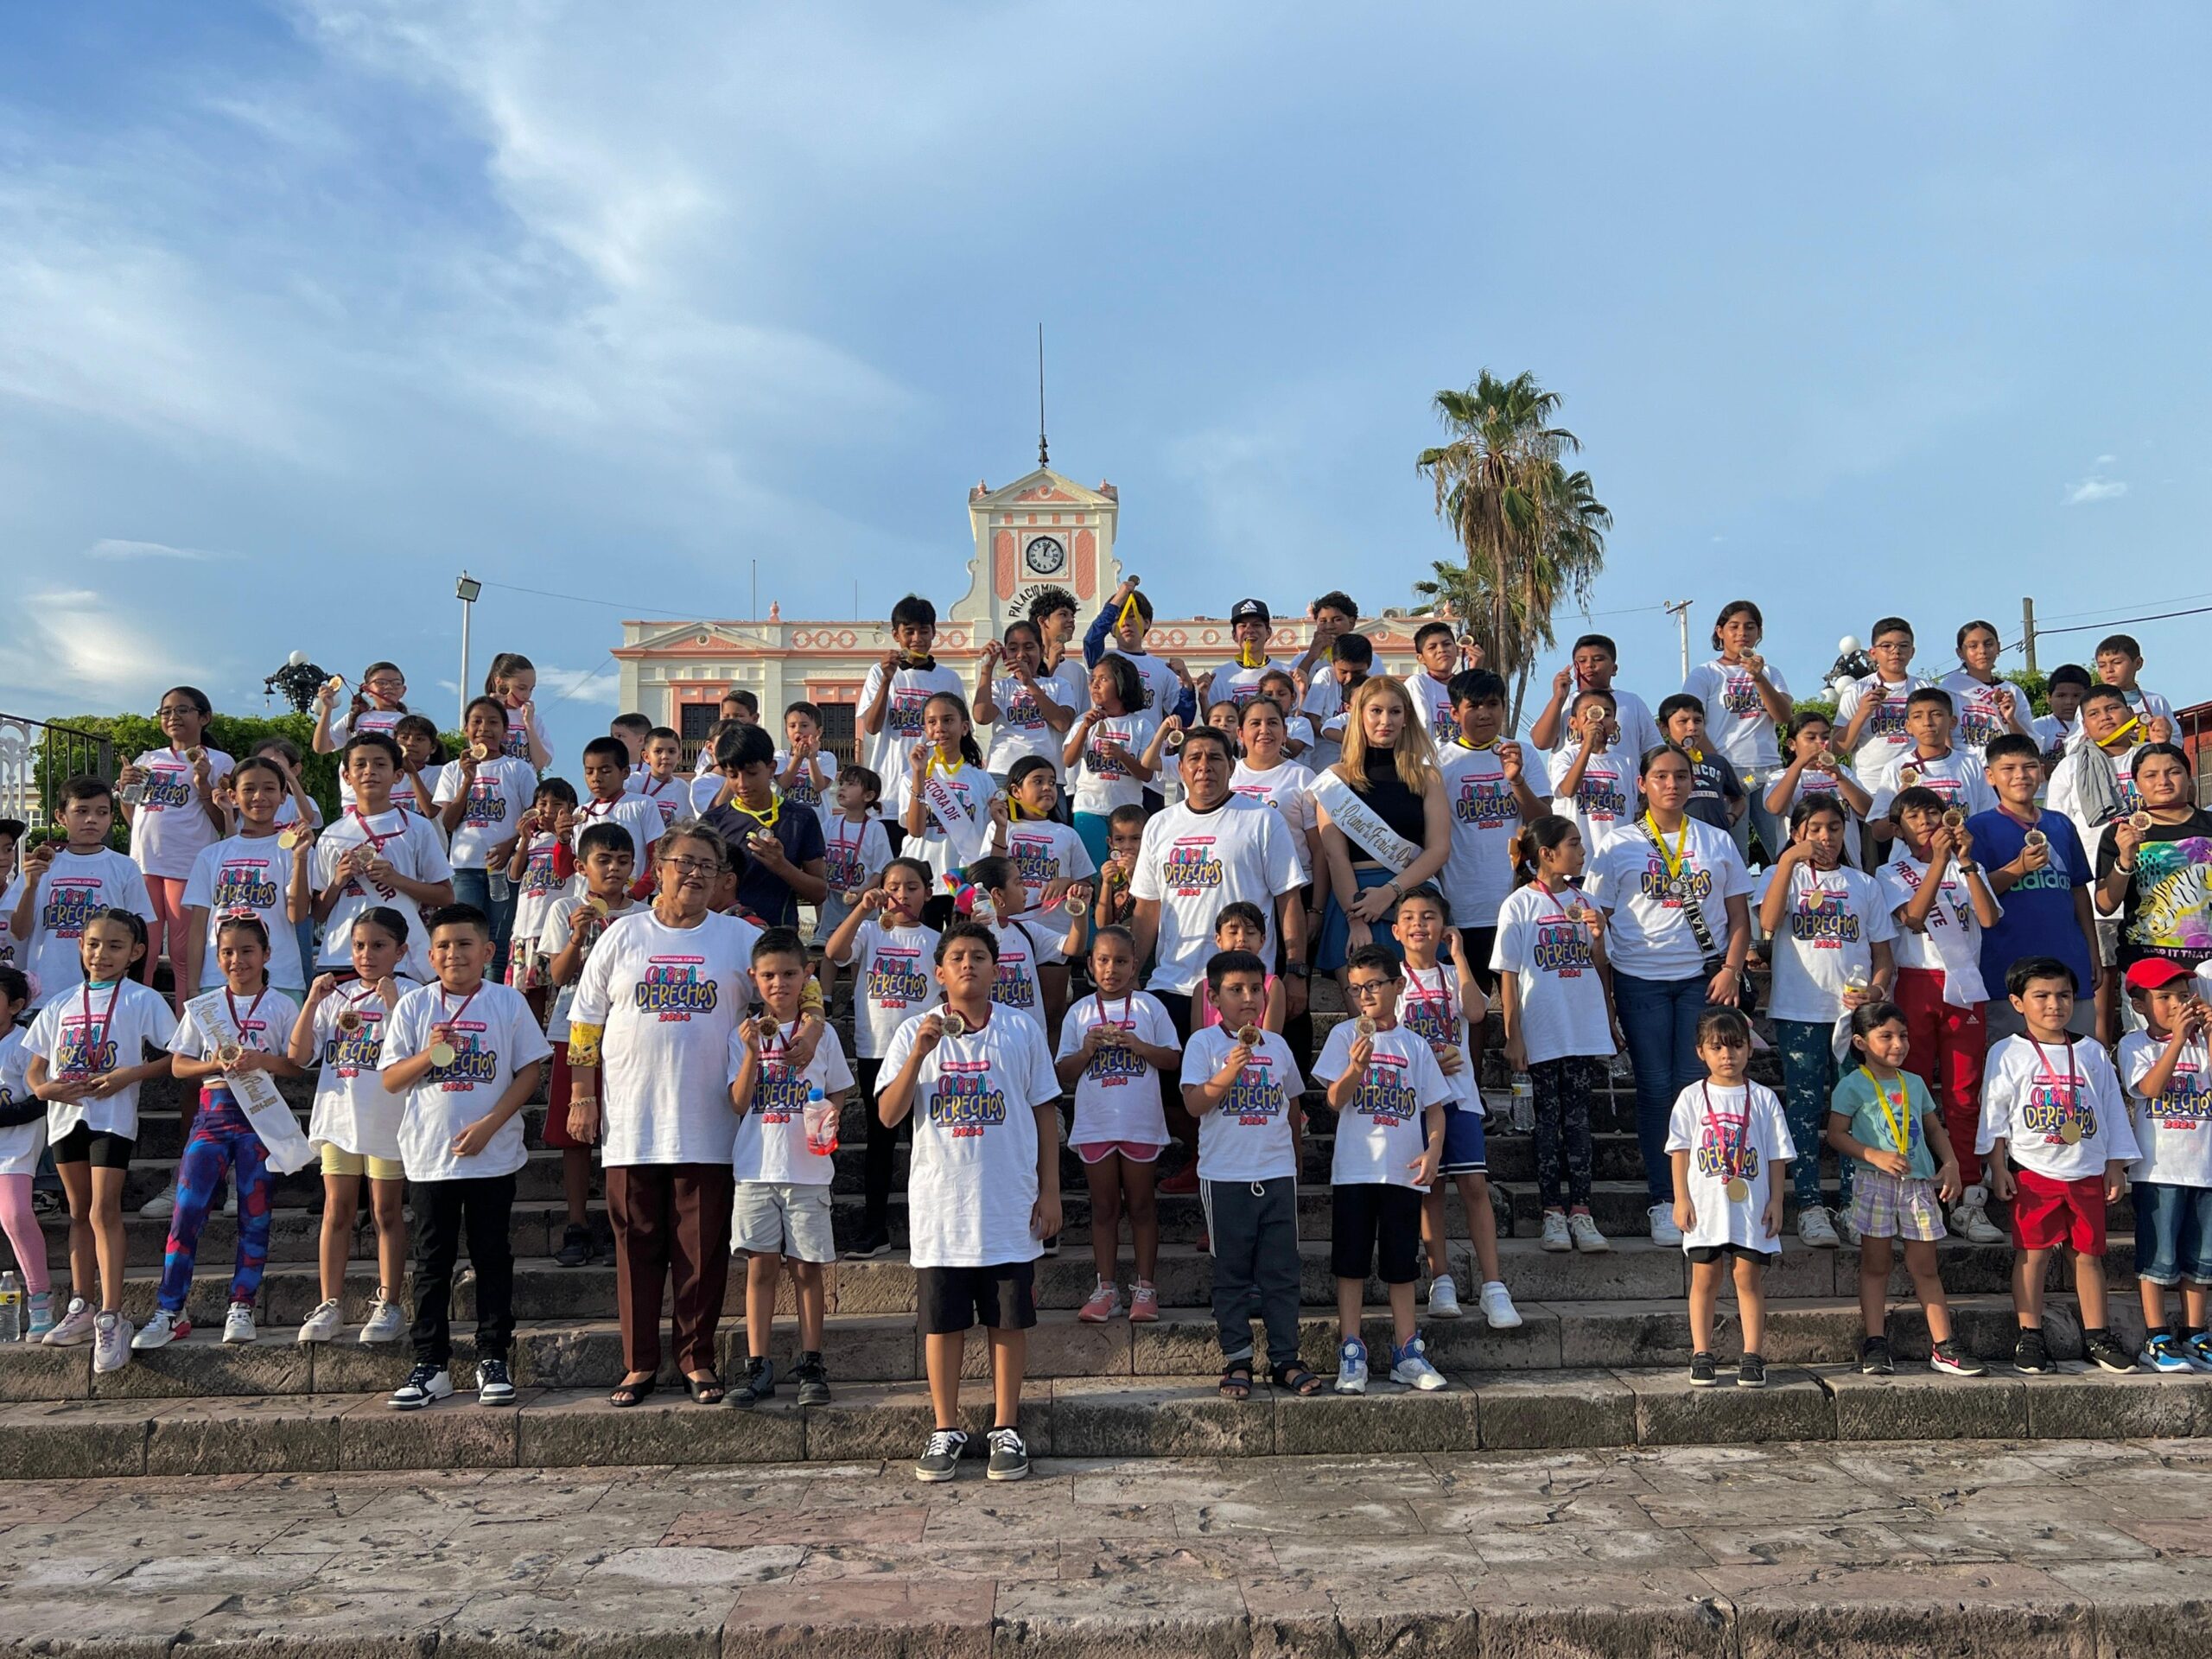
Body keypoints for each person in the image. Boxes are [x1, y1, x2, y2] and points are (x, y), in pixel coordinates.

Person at [569, 824, 784, 1408]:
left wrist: (803, 1032)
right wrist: (581, 1095)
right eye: (684, 862)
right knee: (636, 1246)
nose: (694, 874)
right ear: (658, 865)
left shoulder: (740, 937)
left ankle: (696, 1358)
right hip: (632, 1121)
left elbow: (798, 992)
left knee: (701, 1248)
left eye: (707, 866)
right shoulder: (621, 936)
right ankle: (638, 1364)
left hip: (709, 1119)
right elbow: (585, 1023)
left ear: (721, 878)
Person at [879, 923, 1061, 1484]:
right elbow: (888, 1115)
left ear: (996, 968)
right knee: (943, 1323)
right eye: (956, 957)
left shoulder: (1020, 1029)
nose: (967, 965)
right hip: (941, 1206)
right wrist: (919, 1054)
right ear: (938, 973)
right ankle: (945, 1426)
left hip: (1007, 1200)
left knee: (1008, 1320)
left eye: (979, 956)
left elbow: (1044, 1112)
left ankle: (1006, 1426)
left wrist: (1050, 1190)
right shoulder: (915, 1030)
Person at [378, 904, 550, 1410]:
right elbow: (391, 1079)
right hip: (431, 1156)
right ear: (430, 956)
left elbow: (529, 1072)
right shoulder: (414, 1008)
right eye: (445, 947)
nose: (455, 954)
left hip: (492, 1154)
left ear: (488, 951)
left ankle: (492, 1355)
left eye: (466, 944)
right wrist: (428, 1054)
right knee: (432, 1262)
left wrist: (490, 1124)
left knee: (492, 1256)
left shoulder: (508, 1003)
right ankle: (430, 1363)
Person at [1586, 745, 1753, 1244]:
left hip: (1703, 979)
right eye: (1661, 776)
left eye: (1681, 776)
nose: (1672, 785)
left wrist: (1730, 969)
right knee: (1656, 1088)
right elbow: (1599, 924)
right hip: (1640, 977)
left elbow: (1741, 919)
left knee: (1694, 1085)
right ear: (1642, 784)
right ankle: (1663, 1198)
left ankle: (1699, 1191)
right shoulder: (1618, 844)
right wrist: (1606, 996)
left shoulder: (1717, 840)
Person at [1132, 726, 1306, 1192]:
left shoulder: (1260, 819)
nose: (1204, 766)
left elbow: (1289, 898)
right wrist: (1132, 971)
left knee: (1247, 1081)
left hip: (1244, 987)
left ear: (1233, 765)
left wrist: (1295, 970)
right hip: (1174, 979)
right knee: (1170, 1085)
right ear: (1181, 767)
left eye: (1215, 758)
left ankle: (1252, 1169)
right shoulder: (1161, 825)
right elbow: (1148, 908)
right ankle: (1199, 1156)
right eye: (1193, 758)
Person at [135, 916, 302, 1350]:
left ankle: (242, 1304)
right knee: (187, 1209)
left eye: (247, 951)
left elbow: (297, 1064)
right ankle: (170, 1309)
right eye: (227, 952)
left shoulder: (282, 1006)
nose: (236, 960)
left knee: (255, 1210)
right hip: (212, 1112)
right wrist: (216, 1064)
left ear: (266, 955)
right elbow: (178, 1065)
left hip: (259, 1117)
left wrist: (261, 1061)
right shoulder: (205, 1007)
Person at [25, 909, 176, 1372]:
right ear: (80, 947)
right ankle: (82, 1304)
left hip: (111, 1117)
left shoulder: (143, 999)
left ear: (135, 953)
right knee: (76, 1212)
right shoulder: (60, 1002)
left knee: (102, 1210)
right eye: (93, 944)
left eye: (114, 946)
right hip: (66, 1117)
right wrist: (43, 1088)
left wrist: (129, 1074)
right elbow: (35, 1066)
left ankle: (112, 1313)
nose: (101, 954)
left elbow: (175, 1057)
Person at [1978, 957, 2139, 1376]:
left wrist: (2116, 1164)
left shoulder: (2092, 1052)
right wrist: (1998, 1166)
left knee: (2088, 1255)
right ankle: (2029, 1335)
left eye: (2064, 995)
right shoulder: (2007, 1052)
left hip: (2086, 1168)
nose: (2055, 1004)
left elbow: (2112, 1110)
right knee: (2033, 1256)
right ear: (2017, 1002)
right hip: (2034, 1170)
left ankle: (2097, 1335)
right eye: (2042, 996)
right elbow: (1994, 1112)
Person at [1180, 947, 1322, 1399]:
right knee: (1232, 1271)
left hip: (1276, 1170)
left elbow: (1293, 1103)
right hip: (1225, 1175)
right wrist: (1225, 1076)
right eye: (1235, 990)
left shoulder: (1277, 1045)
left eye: (1254, 989)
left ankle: (1285, 1358)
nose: (1247, 998)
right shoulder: (1204, 1044)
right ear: (1214, 998)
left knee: (1281, 1270)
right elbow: (1193, 1103)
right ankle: (1237, 1359)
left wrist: (1295, 1160)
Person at [1757, 795, 1897, 1249]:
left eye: (1834, 828)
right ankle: (1811, 1205)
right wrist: (1788, 862)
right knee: (1802, 1106)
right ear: (1797, 832)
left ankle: (1856, 1204)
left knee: (1854, 1107)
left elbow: (1883, 956)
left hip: (1853, 1018)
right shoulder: (1782, 878)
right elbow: (1768, 920)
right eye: (1814, 828)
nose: (1825, 837)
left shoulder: (1863, 884)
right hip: (1800, 1010)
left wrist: (1875, 992)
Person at [1316, 944, 1451, 1393]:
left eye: (1373, 986)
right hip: (1356, 1170)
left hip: (1402, 1172)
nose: (1365, 996)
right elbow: (1334, 1100)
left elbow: (1435, 1109)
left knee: (1401, 1265)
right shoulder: (1343, 1037)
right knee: (1350, 1264)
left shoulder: (1415, 1045)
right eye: (1356, 990)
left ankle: (1407, 1351)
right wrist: (1355, 1069)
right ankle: (1351, 1351)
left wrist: (1433, 1152)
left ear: (1398, 985)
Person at [728, 926, 849, 1408]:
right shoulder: (743, 1033)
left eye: (790, 974)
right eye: (770, 975)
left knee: (806, 1269)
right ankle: (758, 1364)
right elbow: (738, 1103)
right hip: (756, 1167)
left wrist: (833, 1111)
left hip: (807, 1169)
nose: (780, 984)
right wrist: (752, 1056)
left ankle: (811, 1358)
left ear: (807, 977)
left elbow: (838, 1087)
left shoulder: (824, 1034)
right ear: (754, 979)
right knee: (760, 1268)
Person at [1826, 1001, 1982, 1376]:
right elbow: (1835, 1134)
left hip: (1918, 1186)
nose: (1898, 1044)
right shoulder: (1852, 1085)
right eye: (1887, 1037)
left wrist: (1951, 1164)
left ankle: (1944, 1345)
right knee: (1875, 1265)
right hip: (1874, 1183)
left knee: (1925, 1267)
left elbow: (1933, 1128)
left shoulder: (1913, 1082)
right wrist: (1872, 1154)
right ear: (1861, 1043)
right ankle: (1876, 1343)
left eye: (1904, 1036)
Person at [1878, 786, 2003, 1244]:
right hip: (1916, 981)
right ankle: (1910, 1187)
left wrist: (1965, 864)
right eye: (1915, 815)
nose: (1928, 820)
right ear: (1898, 829)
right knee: (1909, 1088)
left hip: (1965, 986)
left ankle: (1969, 1193)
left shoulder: (1972, 866)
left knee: (1964, 1093)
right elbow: (1912, 916)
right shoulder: (1890, 871)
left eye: (1934, 811)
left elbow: (1989, 919)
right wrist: (1937, 863)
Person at [1393, 886, 1517, 1329]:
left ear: (1443, 927)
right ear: (1396, 930)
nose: (1419, 925)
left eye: (1429, 917)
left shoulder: (1452, 976)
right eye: (1409, 917)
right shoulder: (1394, 983)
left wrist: (1461, 956)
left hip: (1459, 1096)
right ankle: (1440, 1278)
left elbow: (1477, 1013)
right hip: (1414, 1102)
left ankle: (1493, 1286)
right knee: (1430, 1188)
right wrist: (1425, 1059)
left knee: (1474, 1185)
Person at [1492, 814, 1616, 1251]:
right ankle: (1551, 1213)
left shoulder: (1587, 901)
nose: (1582, 852)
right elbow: (1507, 974)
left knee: (1579, 1120)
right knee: (1547, 1123)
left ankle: (1582, 1210)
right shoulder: (1520, 904)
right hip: (1542, 1029)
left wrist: (1597, 938)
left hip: (1581, 1026)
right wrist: (1513, 1034)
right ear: (1547, 854)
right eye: (1574, 844)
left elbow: (1599, 966)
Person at [291, 907, 414, 1344]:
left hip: (386, 1118)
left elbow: (418, 1052)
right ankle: (330, 1304)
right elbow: (299, 1055)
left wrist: (394, 1001)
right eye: (359, 946)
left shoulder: (414, 993)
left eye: (379, 946)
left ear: (401, 950)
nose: (366, 955)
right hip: (339, 1117)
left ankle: (389, 1302)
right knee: (336, 1210)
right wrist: (311, 1001)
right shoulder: (335, 997)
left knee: (385, 1211)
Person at [1055, 927, 1178, 1325]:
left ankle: (1146, 1287)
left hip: (1140, 1123)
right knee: (1104, 1208)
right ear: (1090, 964)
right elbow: (1063, 1073)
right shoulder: (1080, 1013)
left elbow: (1173, 1060)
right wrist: (1088, 1049)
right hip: (1096, 1124)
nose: (1111, 969)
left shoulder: (1149, 1007)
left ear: (1134, 964)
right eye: (1103, 960)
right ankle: (1105, 1288)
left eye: (1121, 961)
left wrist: (1138, 1046)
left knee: (1142, 1206)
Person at [1667, 1005, 1792, 1389]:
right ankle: (1701, 1352)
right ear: (1701, 1052)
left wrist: (1777, 1200)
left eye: (1736, 1046)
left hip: (1751, 1205)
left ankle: (1752, 1354)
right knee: (1705, 1277)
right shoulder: (1691, 1097)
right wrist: (1680, 1199)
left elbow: (1776, 1153)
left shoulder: (1764, 1098)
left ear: (1749, 1050)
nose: (1727, 1055)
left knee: (1747, 1276)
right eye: (1717, 1048)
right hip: (1705, 1204)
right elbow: (1680, 1151)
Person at [823, 858, 941, 1259]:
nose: (902, 895)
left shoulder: (935, 939)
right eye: (894, 886)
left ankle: (930, 1223)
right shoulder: (871, 931)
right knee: (879, 1142)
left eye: (912, 887)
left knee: (925, 1141)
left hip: (922, 1053)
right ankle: (875, 1228)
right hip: (876, 1047)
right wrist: (860, 908)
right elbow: (835, 951)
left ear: (927, 892)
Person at [539, 823, 642, 1266]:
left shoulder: (645, 915)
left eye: (622, 861)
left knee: (627, 1128)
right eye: (604, 860)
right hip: (574, 1030)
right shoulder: (565, 907)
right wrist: (577, 937)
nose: (614, 869)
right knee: (574, 1133)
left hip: (628, 1035)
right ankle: (577, 1224)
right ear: (582, 867)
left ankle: (630, 1225)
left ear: (635, 867)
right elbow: (558, 977)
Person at [1314, 676, 1452, 980]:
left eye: (1395, 712)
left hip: (1414, 900)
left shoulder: (1427, 777)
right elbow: (1335, 856)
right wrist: (1357, 918)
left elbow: (1439, 848)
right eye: (1375, 711)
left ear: (1406, 719)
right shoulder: (1335, 779)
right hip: (1354, 901)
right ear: (1359, 715)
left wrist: (1390, 892)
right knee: (1366, 1020)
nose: (1385, 721)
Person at [1972, 734, 2100, 1052]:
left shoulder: (2061, 824)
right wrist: (2018, 869)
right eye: (2008, 768)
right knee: (2014, 1061)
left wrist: (2092, 953)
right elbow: (1977, 896)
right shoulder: (1978, 827)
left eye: (2029, 767)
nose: (2020, 776)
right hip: (2007, 966)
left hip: (2068, 959)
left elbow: (2078, 891)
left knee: (2077, 1054)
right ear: (1990, 776)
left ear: (2042, 771)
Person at [2115, 959, 2212, 1371]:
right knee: (2159, 1258)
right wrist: (2178, 1040)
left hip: (2205, 1168)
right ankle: (2156, 1336)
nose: (2177, 1005)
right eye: (2164, 997)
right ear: (2139, 1004)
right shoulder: (2134, 1045)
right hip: (2160, 1171)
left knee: (2202, 1259)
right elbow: (2150, 1089)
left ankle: (2196, 1332)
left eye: (2182, 995)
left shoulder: (2203, 1043)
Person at [311, 734, 455, 989]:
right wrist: (338, 881)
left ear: (397, 775)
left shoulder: (418, 827)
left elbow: (445, 896)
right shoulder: (333, 834)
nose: (370, 772)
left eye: (380, 764)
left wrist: (395, 880)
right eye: (360, 764)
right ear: (347, 776)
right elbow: (318, 913)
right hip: (341, 955)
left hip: (399, 959)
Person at [1435, 669, 1547, 993]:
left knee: (1524, 1003)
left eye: (1493, 704)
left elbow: (1543, 821)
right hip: (1462, 905)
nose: (1485, 714)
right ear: (1455, 712)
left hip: (1517, 903)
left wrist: (1516, 781)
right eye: (1474, 706)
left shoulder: (1521, 753)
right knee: (1472, 1007)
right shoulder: (1438, 761)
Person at [120, 685, 234, 992]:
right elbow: (135, 816)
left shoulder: (221, 762)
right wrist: (125, 787)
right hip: (144, 864)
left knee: (184, 954)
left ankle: (186, 1026)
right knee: (143, 951)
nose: (173, 717)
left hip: (187, 865)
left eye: (183, 710)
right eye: (166, 711)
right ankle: (140, 1023)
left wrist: (202, 783)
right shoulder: (148, 759)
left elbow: (224, 823)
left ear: (205, 717)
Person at [10, 780, 154, 1014]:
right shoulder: (41, 866)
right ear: (61, 816)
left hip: (106, 994)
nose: (91, 819)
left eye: (102, 812)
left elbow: (141, 931)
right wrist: (30, 887)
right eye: (81, 811)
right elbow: (18, 931)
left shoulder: (125, 867)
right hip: (46, 996)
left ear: (111, 817)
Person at [1680, 601, 1793, 864]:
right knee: (1734, 852)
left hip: (1769, 770)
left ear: (1759, 633)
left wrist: (1758, 678)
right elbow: (1689, 724)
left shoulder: (1770, 673)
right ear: (1720, 632)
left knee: (1783, 847)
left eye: (1750, 627)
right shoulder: (1705, 674)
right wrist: (1720, 769)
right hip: (1729, 771)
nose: (1742, 633)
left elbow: (1784, 716)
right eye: (1734, 627)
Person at [435, 697, 535, 975]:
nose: (484, 728)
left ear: (505, 731)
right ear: (466, 729)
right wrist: (468, 780)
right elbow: (449, 822)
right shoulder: (453, 770)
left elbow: (533, 815)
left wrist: (511, 843)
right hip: (465, 868)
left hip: (504, 869)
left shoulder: (518, 769)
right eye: (476, 721)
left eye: (493, 722)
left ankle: (492, 1003)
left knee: (497, 945)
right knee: (465, 939)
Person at [2094, 743, 2212, 978]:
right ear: (2136, 784)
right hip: (2147, 968)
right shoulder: (2119, 833)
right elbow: (2105, 906)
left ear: (2189, 777)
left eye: (2174, 772)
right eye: (2151, 775)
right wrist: (2125, 859)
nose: (2163, 781)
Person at [699, 722, 827, 930]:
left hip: (778, 939)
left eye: (751, 773)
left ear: (771, 769)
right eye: (732, 775)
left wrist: (781, 865)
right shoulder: (712, 822)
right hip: (723, 934)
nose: (742, 784)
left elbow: (819, 893)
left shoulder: (801, 817)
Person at [858, 594, 966, 791]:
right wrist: (886, 680)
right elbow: (872, 727)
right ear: (895, 635)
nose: (917, 639)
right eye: (909, 632)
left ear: (934, 633)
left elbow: (963, 734)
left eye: (923, 631)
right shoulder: (878, 672)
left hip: (938, 789)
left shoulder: (950, 679)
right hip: (889, 788)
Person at [895, 692, 995, 903]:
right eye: (932, 722)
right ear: (925, 730)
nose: (940, 728)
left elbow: (991, 834)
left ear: (964, 727)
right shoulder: (910, 777)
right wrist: (919, 776)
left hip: (965, 880)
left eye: (948, 720)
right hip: (922, 881)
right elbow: (915, 830)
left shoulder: (982, 779)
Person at [1865, 688, 1999, 844]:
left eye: (1936, 714)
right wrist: (1898, 808)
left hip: (1961, 860)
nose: (1927, 723)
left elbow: (1988, 817)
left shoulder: (1970, 763)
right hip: (1913, 864)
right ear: (1908, 725)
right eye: (1917, 716)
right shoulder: (1896, 767)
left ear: (1952, 722)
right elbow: (1878, 833)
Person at [1065, 655, 1160, 872]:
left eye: (1103, 679)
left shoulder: (1140, 726)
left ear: (1121, 682)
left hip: (1127, 812)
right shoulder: (1083, 720)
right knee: (1094, 873)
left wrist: (1122, 756)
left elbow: (1147, 775)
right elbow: (1068, 760)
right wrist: (1084, 729)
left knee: (1127, 872)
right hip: (1089, 808)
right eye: (1093, 679)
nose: (1095, 684)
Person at [0, 967, 52, 1338]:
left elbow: (40, 1100)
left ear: (16, 1005)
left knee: (16, 1215)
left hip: (17, 1140)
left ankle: (40, 1302)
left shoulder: (23, 1043)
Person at [505, 777, 578, 1014]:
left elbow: (566, 870)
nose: (548, 811)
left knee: (558, 991)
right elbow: (515, 875)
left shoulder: (574, 838)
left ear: (570, 808)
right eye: (542, 803)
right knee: (529, 992)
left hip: (555, 926)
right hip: (527, 926)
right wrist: (524, 839)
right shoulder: (531, 839)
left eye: (557, 805)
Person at [1836, 617, 1932, 798]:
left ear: (1913, 651)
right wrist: (1862, 713)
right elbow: (1838, 748)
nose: (1895, 652)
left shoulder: (1927, 689)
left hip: (1921, 784)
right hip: (1871, 788)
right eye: (1886, 646)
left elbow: (1942, 738)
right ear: (1873, 652)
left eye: (1903, 646)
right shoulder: (1857, 690)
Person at [1528, 633, 1662, 761]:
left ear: (1614, 669)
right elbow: (1541, 742)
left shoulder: (1632, 703)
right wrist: (1558, 698)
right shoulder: (1564, 702)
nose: (1589, 665)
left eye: (1598, 659)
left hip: (1620, 783)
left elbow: (1654, 751)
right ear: (1574, 670)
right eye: (1581, 661)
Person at [1083, 575, 1195, 725]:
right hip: (1107, 743)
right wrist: (1117, 600)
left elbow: (1183, 720)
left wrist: (1187, 684)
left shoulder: (1163, 669)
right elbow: (1092, 640)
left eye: (1132, 617)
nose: (1126, 624)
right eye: (1119, 619)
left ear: (1147, 623)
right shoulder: (1103, 660)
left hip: (1148, 745)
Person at [975, 620, 1075, 784]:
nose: (1021, 655)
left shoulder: (1058, 685)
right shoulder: (1000, 687)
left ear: (1042, 650)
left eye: (1029, 647)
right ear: (1005, 653)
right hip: (1004, 772)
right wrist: (986, 670)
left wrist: (1030, 683)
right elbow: (981, 716)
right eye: (1013, 649)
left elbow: (1062, 723)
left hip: (1047, 774)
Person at [1762, 711, 1873, 855]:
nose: (1821, 743)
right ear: (1792, 744)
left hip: (1845, 861)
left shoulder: (1843, 772)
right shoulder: (1779, 776)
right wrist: (1800, 763)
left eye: (1826, 737)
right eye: (1811, 738)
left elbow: (1868, 810)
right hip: (1800, 865)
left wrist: (1840, 778)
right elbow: (1775, 808)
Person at [1545, 689, 1638, 853]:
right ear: (1573, 723)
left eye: (1606, 714)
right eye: (1589, 712)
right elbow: (1567, 790)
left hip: (1618, 854)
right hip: (1577, 859)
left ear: (1614, 726)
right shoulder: (1566, 756)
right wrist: (1587, 745)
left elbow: (1636, 810)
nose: (1597, 719)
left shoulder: (1627, 764)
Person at [572, 736, 666, 897]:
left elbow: (658, 859)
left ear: (625, 772)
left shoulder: (643, 805)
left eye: (606, 771)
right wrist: (562, 839)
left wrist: (634, 895)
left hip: (629, 906)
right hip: (586, 906)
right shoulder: (580, 813)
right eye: (589, 771)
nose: (596, 778)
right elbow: (565, 870)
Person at [999, 756, 1095, 913]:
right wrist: (1000, 828)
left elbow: (1087, 885)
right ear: (1016, 791)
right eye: (1038, 782)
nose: (1047, 787)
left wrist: (1068, 882)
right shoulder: (1003, 827)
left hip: (1057, 928)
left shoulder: (1068, 834)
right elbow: (991, 872)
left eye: (1052, 782)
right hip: (1012, 923)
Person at [816, 764, 891, 960]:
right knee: (828, 949)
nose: (842, 788)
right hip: (832, 900)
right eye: (842, 784)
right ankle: (826, 992)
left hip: (863, 903)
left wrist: (863, 892)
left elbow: (881, 870)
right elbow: (817, 858)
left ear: (868, 796)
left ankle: (859, 990)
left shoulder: (876, 829)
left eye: (850, 785)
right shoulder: (830, 824)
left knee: (862, 950)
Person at [313, 661, 410, 808]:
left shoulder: (409, 723)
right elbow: (321, 747)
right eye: (381, 682)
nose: (389, 687)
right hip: (354, 801)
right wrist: (327, 708)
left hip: (395, 800)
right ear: (367, 689)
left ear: (403, 690)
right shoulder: (356, 718)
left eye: (395, 683)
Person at [1939, 620, 2033, 761]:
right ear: (1960, 653)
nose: (1982, 651)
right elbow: (1944, 735)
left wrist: (2010, 719)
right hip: (1966, 766)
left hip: (2004, 767)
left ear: (1998, 647)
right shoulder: (1949, 689)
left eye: (1988, 644)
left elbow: (2028, 743)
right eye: (1973, 646)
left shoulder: (2012, 691)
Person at [1657, 694, 1748, 838]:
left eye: (1698, 721)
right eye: (1683, 721)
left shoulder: (1718, 762)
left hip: (1715, 839)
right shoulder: (1657, 762)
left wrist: (1731, 817)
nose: (1692, 727)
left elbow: (1739, 799)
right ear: (1663, 727)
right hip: (1675, 839)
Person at [1206, 597, 1292, 712]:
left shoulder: (1286, 672)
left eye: (1257, 625)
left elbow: (1294, 715)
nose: (1250, 630)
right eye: (1243, 626)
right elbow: (1213, 721)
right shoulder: (1220, 676)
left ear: (1268, 632)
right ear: (1234, 635)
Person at [1308, 632, 1373, 774]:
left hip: (1360, 767)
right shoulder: (1326, 677)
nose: (1349, 678)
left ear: (1369, 666)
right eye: (1343, 672)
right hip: (1324, 764)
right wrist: (1353, 739)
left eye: (1357, 673)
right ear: (1333, 663)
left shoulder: (1372, 686)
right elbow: (1312, 721)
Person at [483, 652, 552, 772]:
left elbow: (540, 763)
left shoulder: (534, 719)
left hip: (525, 786)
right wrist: (493, 713)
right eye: (521, 688)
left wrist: (529, 724)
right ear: (500, 682)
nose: (527, 695)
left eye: (531, 689)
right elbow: (481, 752)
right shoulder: (482, 714)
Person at [2093, 632, 2175, 728]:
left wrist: (2160, 736)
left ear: (2138, 663)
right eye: (2102, 665)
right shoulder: (2090, 705)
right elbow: (2075, 742)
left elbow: (2176, 739)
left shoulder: (2156, 701)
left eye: (2117, 662)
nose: (2109, 670)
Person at [1399, 621, 1462, 744]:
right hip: (1432, 758)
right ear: (1420, 658)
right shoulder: (1418, 683)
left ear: (1457, 650)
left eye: (1447, 644)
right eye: (1432, 647)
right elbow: (1424, 725)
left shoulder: (1465, 684)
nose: (1441, 650)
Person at [773, 702, 837, 815]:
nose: (798, 730)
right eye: (792, 726)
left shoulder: (826, 758)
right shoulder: (781, 756)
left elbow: (819, 786)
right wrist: (798, 757)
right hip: (786, 820)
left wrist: (812, 758)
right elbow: (784, 783)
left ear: (818, 731)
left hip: (818, 822)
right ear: (786, 732)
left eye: (804, 725)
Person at [626, 728, 696, 830]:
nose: (665, 756)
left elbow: (689, 824)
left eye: (671, 751)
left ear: (679, 757)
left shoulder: (684, 788)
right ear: (646, 757)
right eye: (658, 751)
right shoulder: (634, 782)